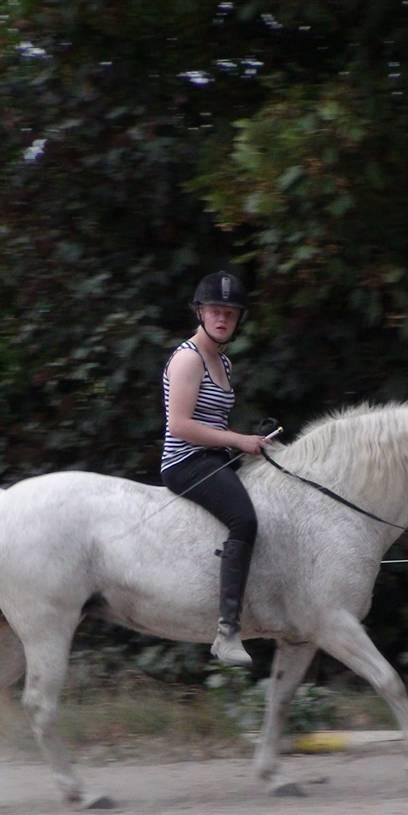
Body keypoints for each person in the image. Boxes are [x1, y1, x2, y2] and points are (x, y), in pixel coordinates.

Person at [160, 270, 270, 667]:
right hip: (185, 462)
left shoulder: (222, 360)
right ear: (200, 312)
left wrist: (250, 445)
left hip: (212, 458)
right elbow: (180, 425)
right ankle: (227, 631)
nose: (223, 318)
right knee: (244, 519)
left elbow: (216, 425)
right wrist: (238, 441)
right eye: (215, 311)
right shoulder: (189, 359)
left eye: (231, 313)